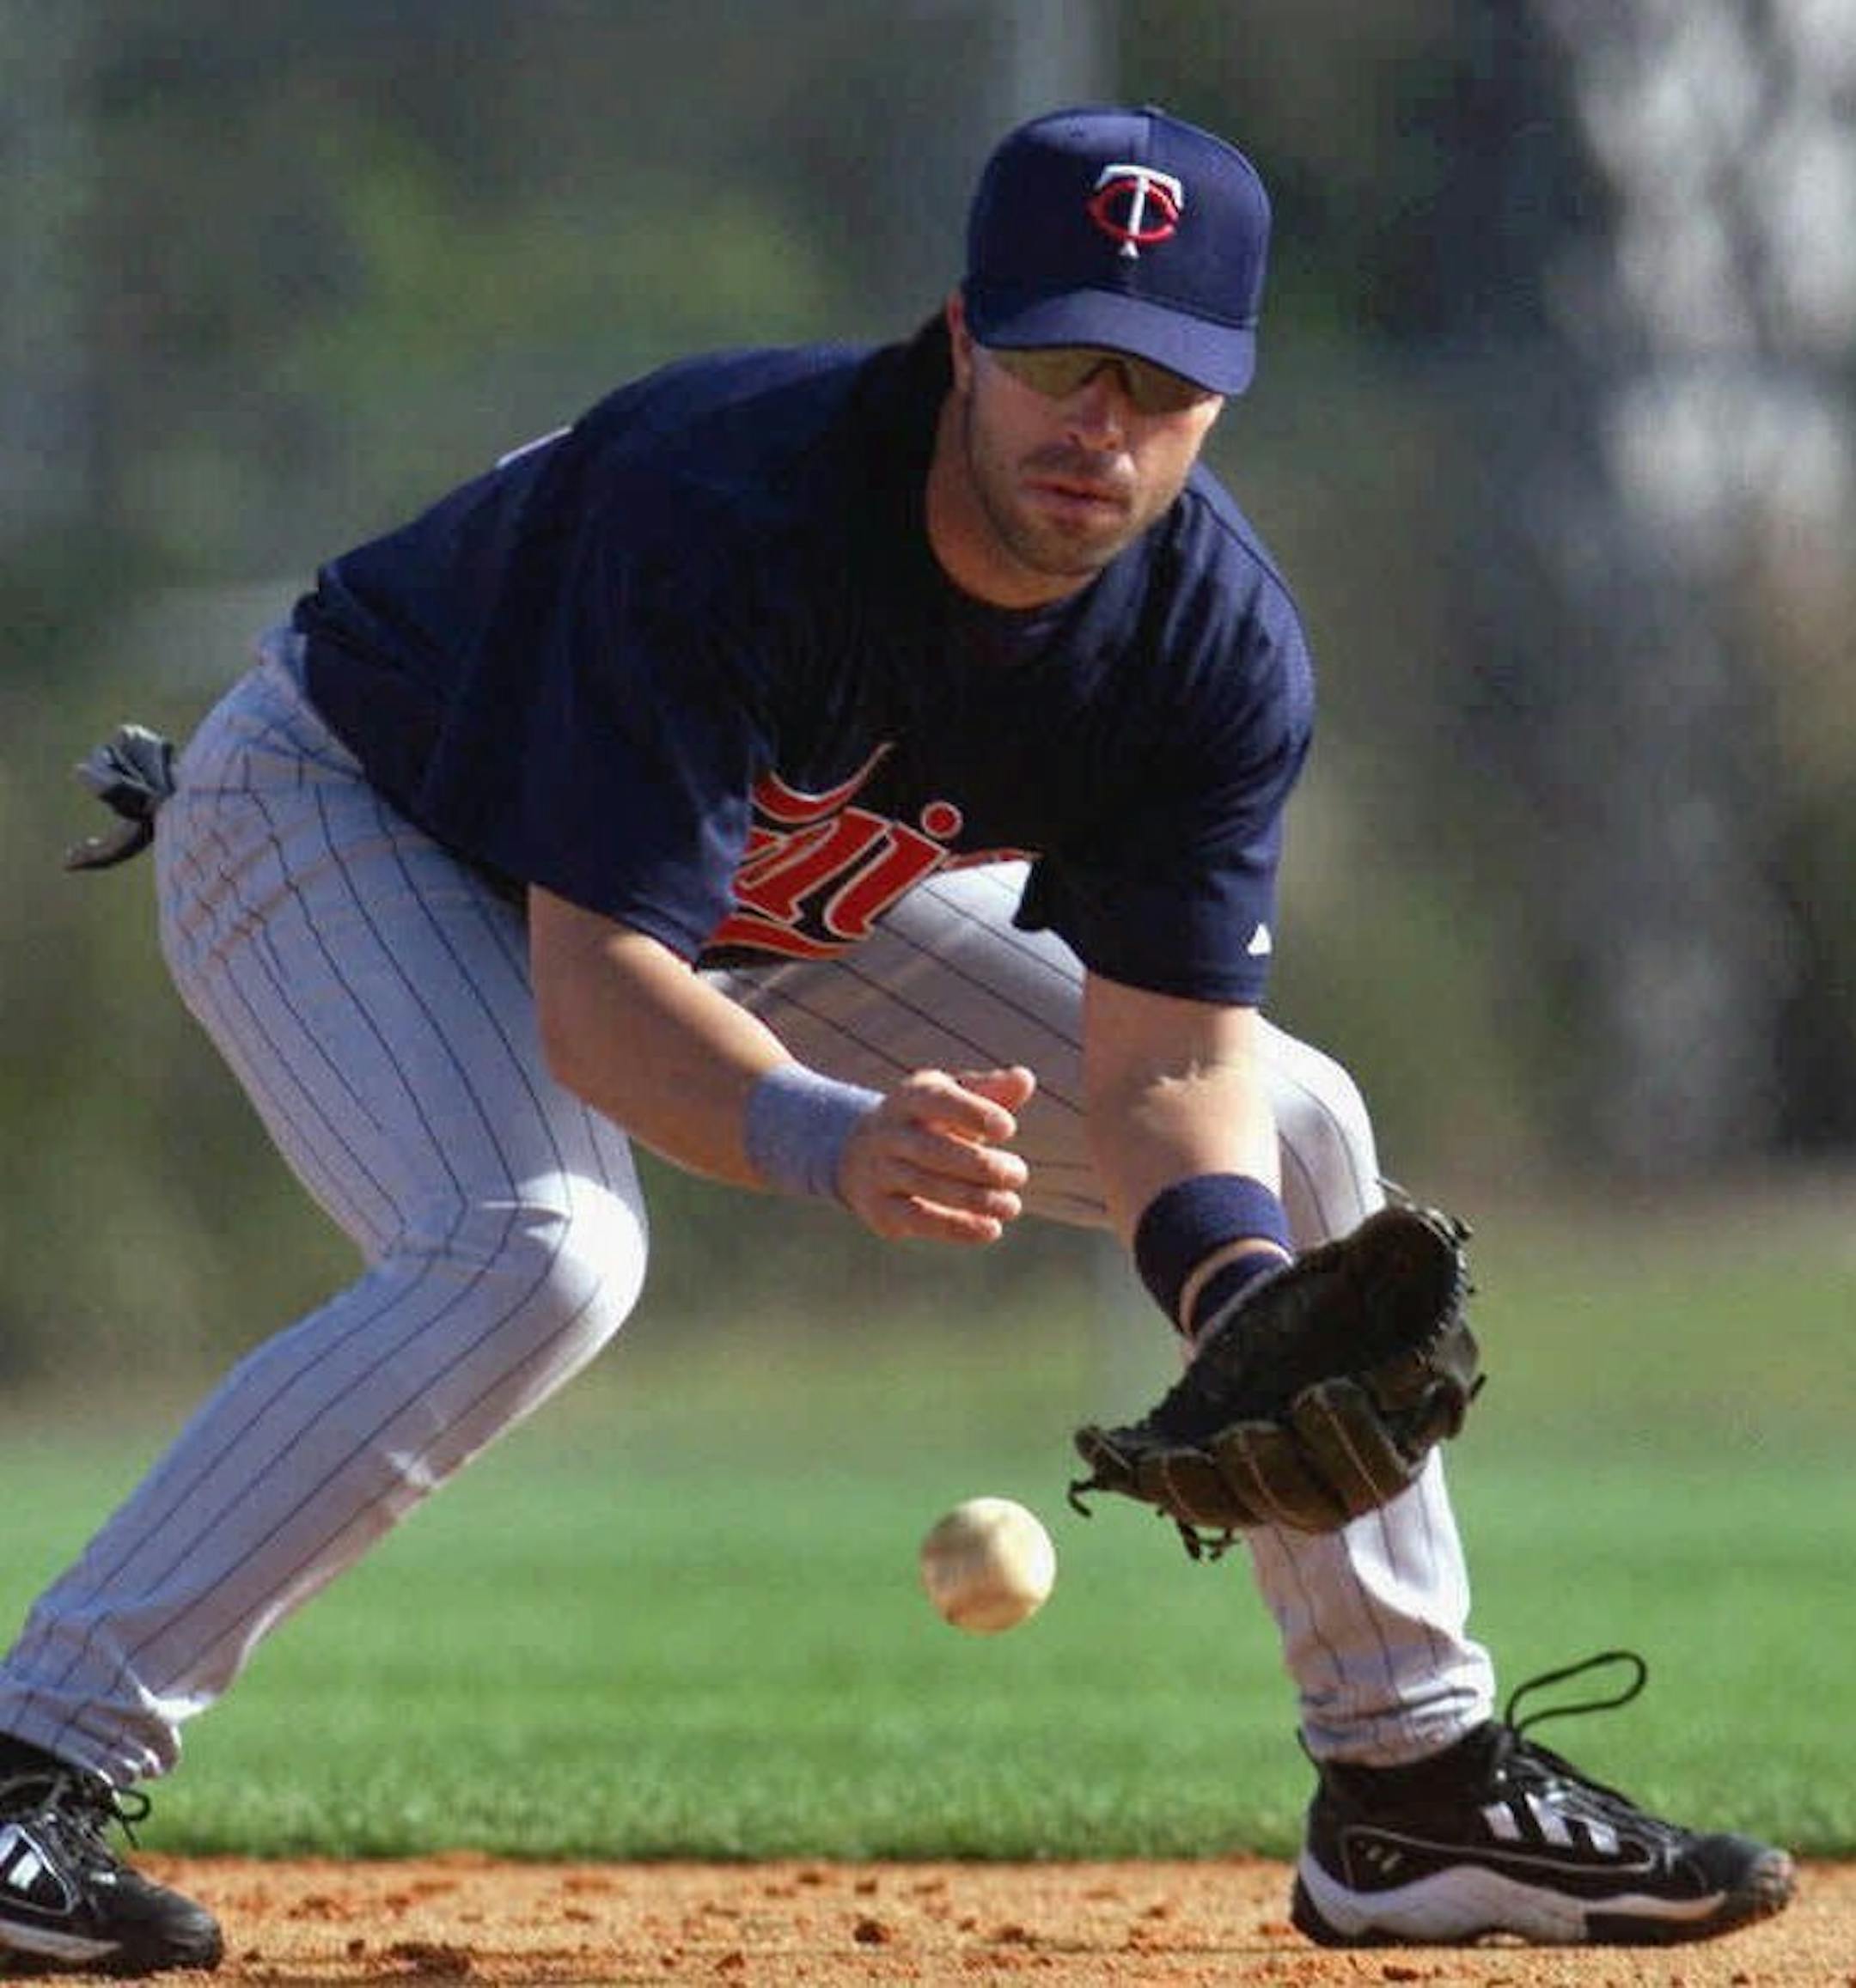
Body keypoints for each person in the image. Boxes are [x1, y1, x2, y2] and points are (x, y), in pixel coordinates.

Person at [9, 105, 1793, 1973]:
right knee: (542, 1248)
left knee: (1306, 1129)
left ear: (1225, 399)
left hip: (762, 896)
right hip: (352, 810)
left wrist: (1241, 1287)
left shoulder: (1209, 644)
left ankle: (1409, 1792)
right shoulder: (729, 504)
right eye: (1057, 359)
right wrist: (825, 1132)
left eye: (1158, 379)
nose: (1096, 425)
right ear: (962, 334)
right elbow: (601, 986)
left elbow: (1178, 1067)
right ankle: (24, 1760)